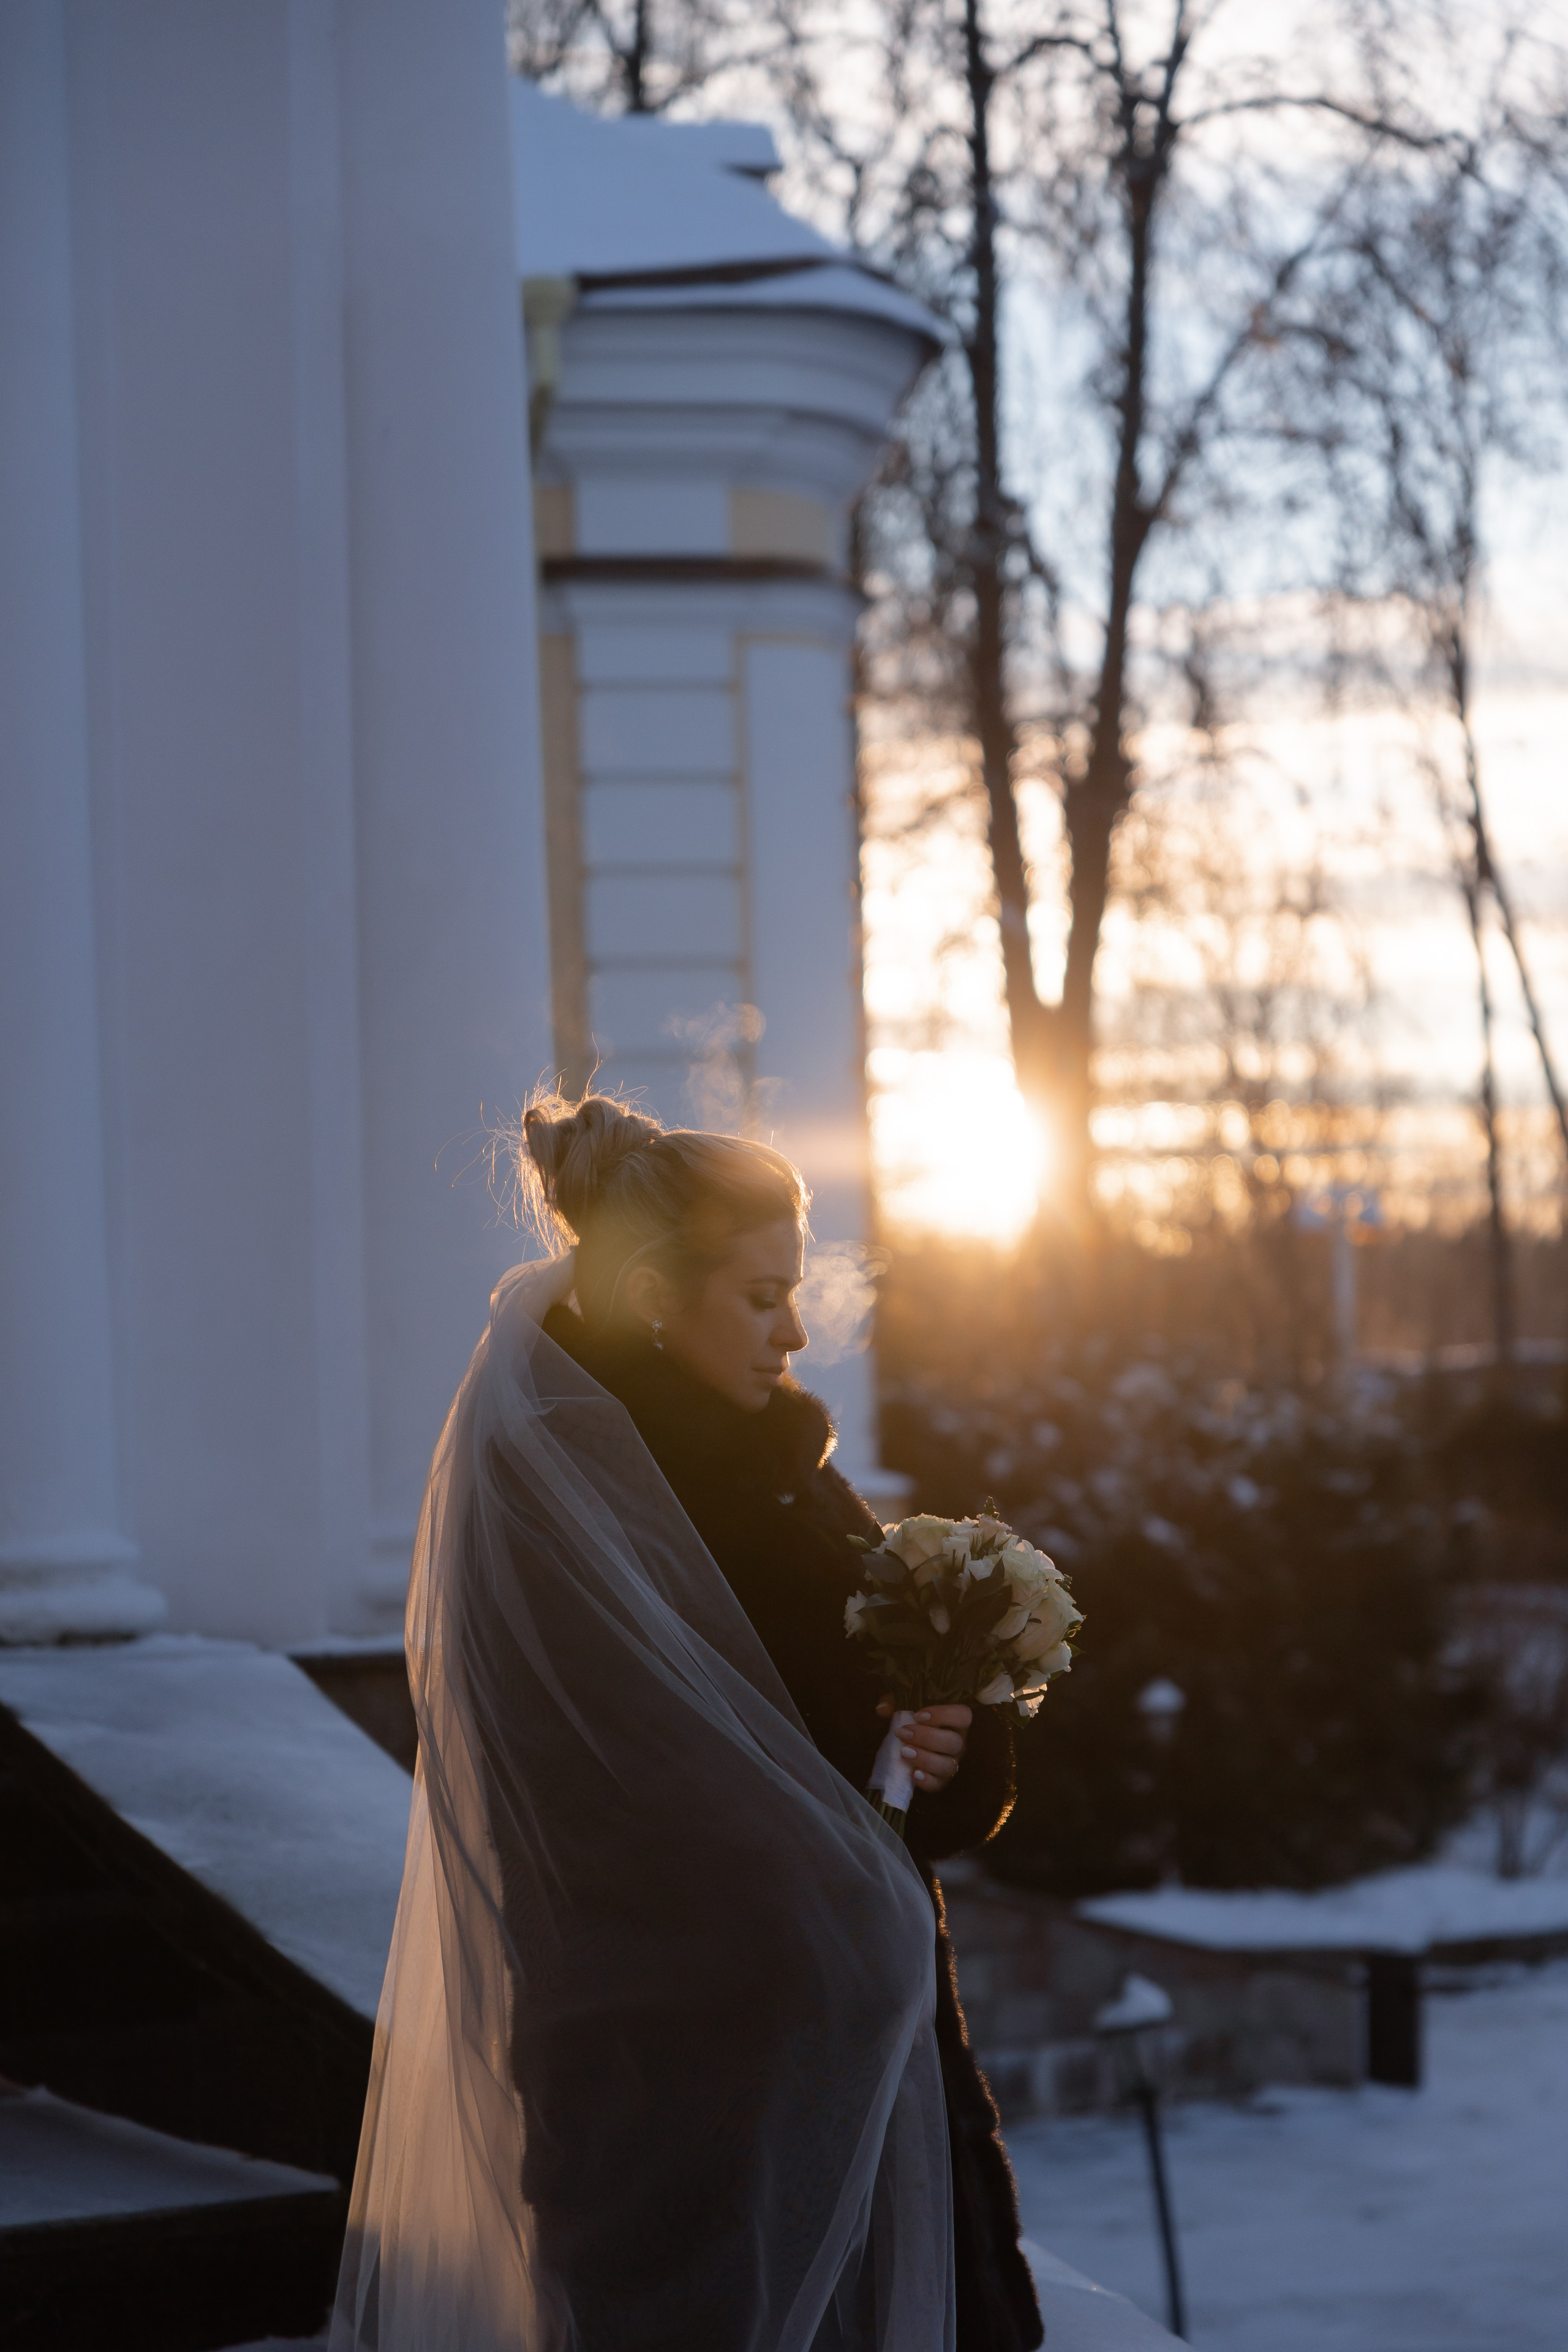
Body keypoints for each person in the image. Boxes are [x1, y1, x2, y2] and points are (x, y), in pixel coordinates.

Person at [331, 1096, 1043, 2352]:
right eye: (762, 1295)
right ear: (659, 1294)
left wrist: (952, 1727)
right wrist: (870, 1760)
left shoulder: (772, 1463)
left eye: (797, 1288)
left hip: (843, 2049)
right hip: (698, 2081)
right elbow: (651, 1802)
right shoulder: (579, 1493)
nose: (798, 1327)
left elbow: (887, 1775)